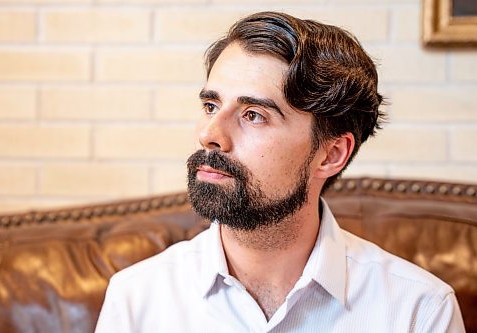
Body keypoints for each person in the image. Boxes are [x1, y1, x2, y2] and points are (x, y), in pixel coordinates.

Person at [95, 11, 465, 332]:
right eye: (211, 105)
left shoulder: (418, 311)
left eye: (253, 115)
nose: (210, 135)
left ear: (331, 154)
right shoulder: (136, 298)